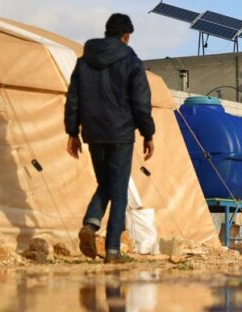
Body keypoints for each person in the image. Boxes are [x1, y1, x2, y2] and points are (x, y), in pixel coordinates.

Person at [65, 14, 155, 264]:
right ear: (126, 36)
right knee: (119, 191)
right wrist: (148, 133)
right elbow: (141, 103)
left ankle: (91, 224)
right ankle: (113, 249)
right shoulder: (131, 62)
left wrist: (72, 132)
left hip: (93, 133)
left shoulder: (84, 61)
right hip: (121, 133)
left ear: (107, 33)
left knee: (105, 182)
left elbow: (73, 98)